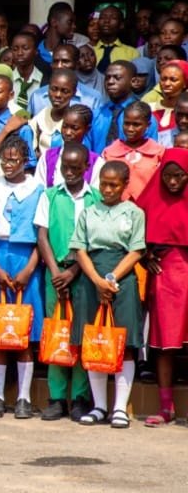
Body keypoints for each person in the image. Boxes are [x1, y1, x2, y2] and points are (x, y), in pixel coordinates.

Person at [71, 161, 145, 429]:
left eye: (114, 185)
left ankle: (119, 408)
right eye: (104, 183)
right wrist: (96, 280)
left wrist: (111, 279)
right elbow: (80, 249)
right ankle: (100, 405)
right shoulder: (89, 212)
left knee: (123, 343)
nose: (108, 189)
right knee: (95, 341)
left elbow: (136, 250)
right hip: (92, 278)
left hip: (121, 279)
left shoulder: (134, 213)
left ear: (125, 185)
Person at [33, 143, 100, 421]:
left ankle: (80, 397)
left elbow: (95, 241)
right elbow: (42, 236)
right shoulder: (51, 195)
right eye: (65, 168)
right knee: (57, 332)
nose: (70, 173)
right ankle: (57, 396)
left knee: (81, 334)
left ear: (87, 168)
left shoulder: (95, 198)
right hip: (55, 273)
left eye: (76, 168)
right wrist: (55, 270)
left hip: (83, 274)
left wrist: (73, 271)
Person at [0, 135, 45, 419]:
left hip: (26, 259)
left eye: (14, 160)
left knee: (23, 332)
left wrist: (30, 268)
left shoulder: (37, 190)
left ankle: (23, 397)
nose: (8, 165)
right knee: (0, 331)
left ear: (26, 161)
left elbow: (41, 236)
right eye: (4, 160)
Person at [135, 149, 188, 426]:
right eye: (167, 175)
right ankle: (166, 407)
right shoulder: (152, 197)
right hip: (165, 275)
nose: (172, 181)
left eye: (179, 176)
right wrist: (146, 255)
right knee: (164, 344)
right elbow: (134, 233)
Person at [98, 101, 163, 201]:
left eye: (136, 125)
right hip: (115, 210)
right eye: (126, 123)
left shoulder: (158, 153)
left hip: (147, 208)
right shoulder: (109, 152)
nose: (130, 129)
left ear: (148, 125)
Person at [35, 104, 100, 188]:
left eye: (75, 128)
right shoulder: (48, 157)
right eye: (65, 126)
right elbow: (39, 188)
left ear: (87, 129)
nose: (68, 132)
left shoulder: (95, 162)